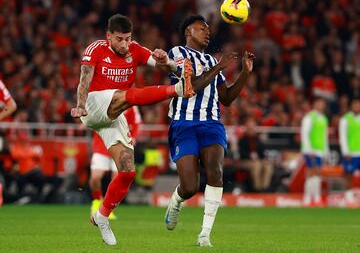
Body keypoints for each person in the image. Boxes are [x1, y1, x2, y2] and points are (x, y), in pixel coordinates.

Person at [70, 14, 197, 246]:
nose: (125, 44)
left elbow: (162, 63)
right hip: (93, 106)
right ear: (108, 36)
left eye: (128, 39)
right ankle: (177, 90)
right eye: (119, 39)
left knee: (127, 171)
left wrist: (165, 60)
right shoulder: (95, 49)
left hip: (115, 113)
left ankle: (102, 217)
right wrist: (79, 106)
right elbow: (84, 80)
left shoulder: (135, 50)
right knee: (128, 95)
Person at [164, 15, 255, 247]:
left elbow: (226, 98)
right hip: (183, 123)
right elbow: (190, 86)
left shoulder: (211, 60)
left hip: (211, 124)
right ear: (188, 32)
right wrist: (218, 67)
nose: (207, 31)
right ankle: (176, 201)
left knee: (215, 172)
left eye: (207, 28)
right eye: (201, 28)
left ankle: (205, 234)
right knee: (190, 186)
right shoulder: (177, 54)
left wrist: (244, 73)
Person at [89, 106, 141, 220]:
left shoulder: (130, 103)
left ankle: (106, 209)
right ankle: (96, 202)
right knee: (95, 178)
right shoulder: (103, 97)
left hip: (119, 146)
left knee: (116, 180)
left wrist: (134, 137)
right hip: (101, 145)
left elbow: (136, 123)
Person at [301, 97, 329, 206]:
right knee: (310, 172)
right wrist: (308, 150)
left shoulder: (324, 118)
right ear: (315, 104)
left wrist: (326, 151)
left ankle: (317, 197)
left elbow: (324, 136)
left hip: (320, 150)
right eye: (319, 103)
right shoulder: (309, 117)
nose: (321, 106)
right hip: (310, 150)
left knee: (317, 173)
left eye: (322, 104)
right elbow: (305, 134)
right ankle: (307, 197)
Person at [238, 117, 273, 192]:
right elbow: (242, 154)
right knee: (257, 165)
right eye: (249, 127)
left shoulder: (258, 139)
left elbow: (262, 153)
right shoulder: (242, 140)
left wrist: (265, 160)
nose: (251, 129)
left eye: (252, 127)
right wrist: (252, 158)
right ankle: (257, 188)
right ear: (246, 128)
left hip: (258, 161)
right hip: (246, 161)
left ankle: (265, 187)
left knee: (268, 166)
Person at [339, 98, 360, 206]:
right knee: (348, 176)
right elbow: (342, 136)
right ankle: (348, 198)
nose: (357, 107)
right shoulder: (345, 119)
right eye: (355, 105)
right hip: (350, 153)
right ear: (351, 106)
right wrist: (345, 151)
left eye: (358, 105)